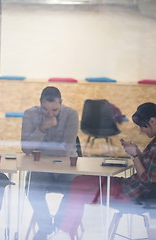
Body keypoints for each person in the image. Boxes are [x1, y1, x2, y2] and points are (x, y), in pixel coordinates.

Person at [50, 102, 156, 240]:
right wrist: (136, 152)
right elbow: (149, 168)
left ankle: (64, 233)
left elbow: (149, 181)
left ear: (152, 121)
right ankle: (65, 232)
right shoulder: (154, 142)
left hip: (133, 194)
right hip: (130, 187)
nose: (142, 131)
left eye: (143, 126)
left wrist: (135, 156)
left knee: (78, 187)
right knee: (79, 183)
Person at [21, 86, 79, 239]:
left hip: (66, 166)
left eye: (55, 110)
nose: (50, 114)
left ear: (61, 103)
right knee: (32, 190)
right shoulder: (30, 114)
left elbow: (66, 150)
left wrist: (40, 150)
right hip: (40, 167)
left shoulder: (71, 114)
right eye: (46, 110)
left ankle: (59, 228)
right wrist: (41, 128)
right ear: (40, 103)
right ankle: (47, 227)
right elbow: (26, 149)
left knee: (74, 192)